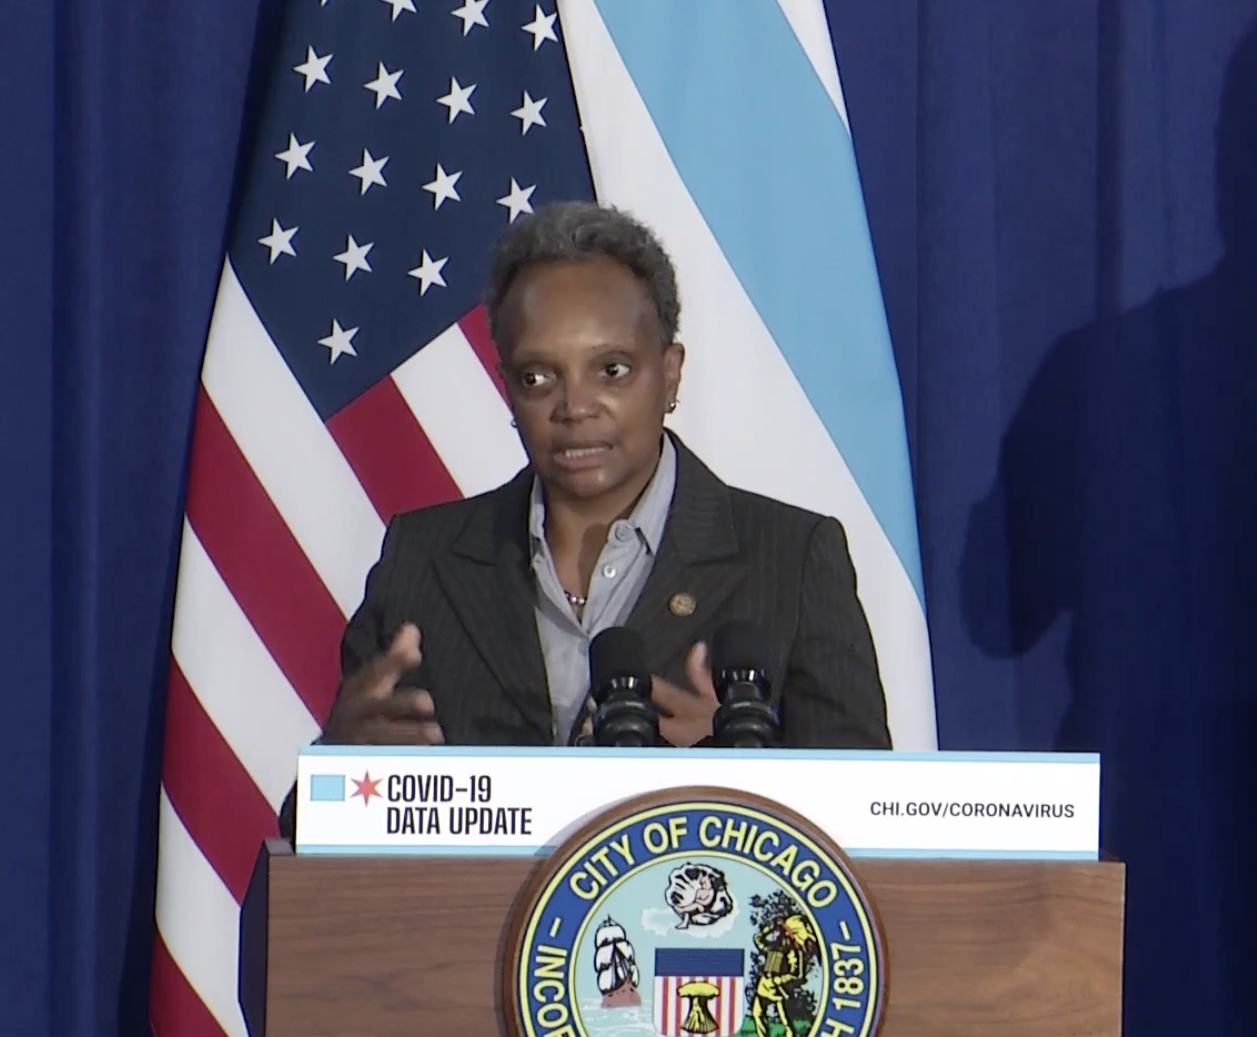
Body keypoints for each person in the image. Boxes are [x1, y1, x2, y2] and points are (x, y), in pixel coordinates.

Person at [315, 200, 890, 758]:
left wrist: (740, 770)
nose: (575, 407)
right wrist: (335, 757)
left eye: (612, 370)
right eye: (538, 377)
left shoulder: (791, 559)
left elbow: (866, 812)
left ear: (670, 374)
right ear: (507, 387)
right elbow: (318, 816)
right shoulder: (423, 557)